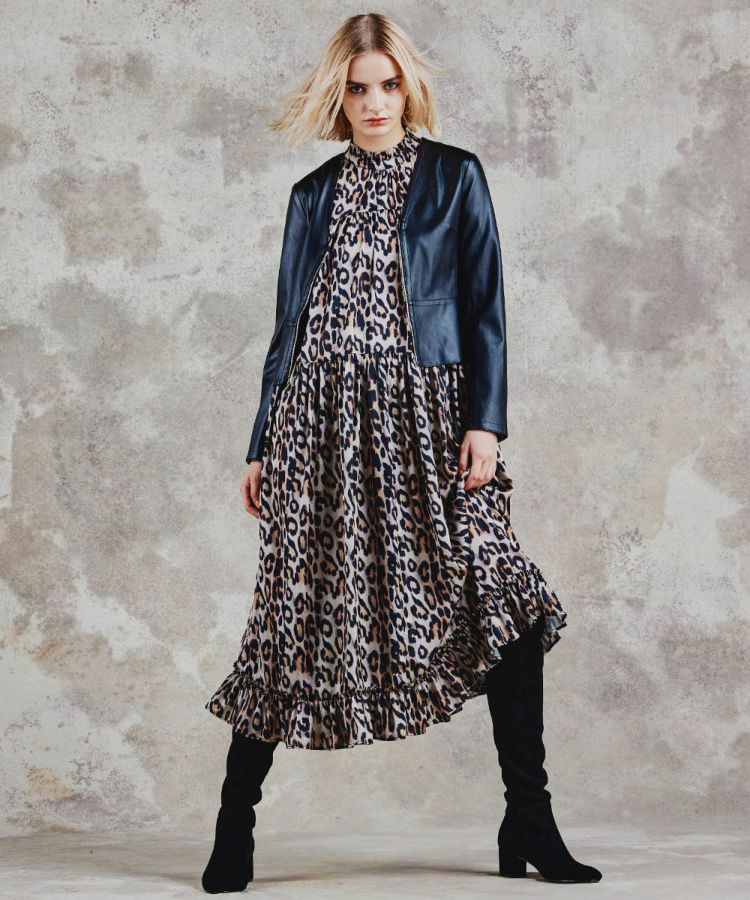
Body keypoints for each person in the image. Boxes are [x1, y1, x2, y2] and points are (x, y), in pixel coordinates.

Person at [201, 13, 602, 893]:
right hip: (320, 428)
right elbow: (287, 329)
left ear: (408, 87)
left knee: (505, 604)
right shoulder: (312, 195)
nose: (375, 103)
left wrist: (485, 421)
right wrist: (261, 442)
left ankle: (529, 819)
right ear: (338, 96)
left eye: (387, 85)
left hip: (431, 418)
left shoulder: (455, 176)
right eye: (358, 89)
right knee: (292, 620)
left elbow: (485, 305)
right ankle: (234, 826)